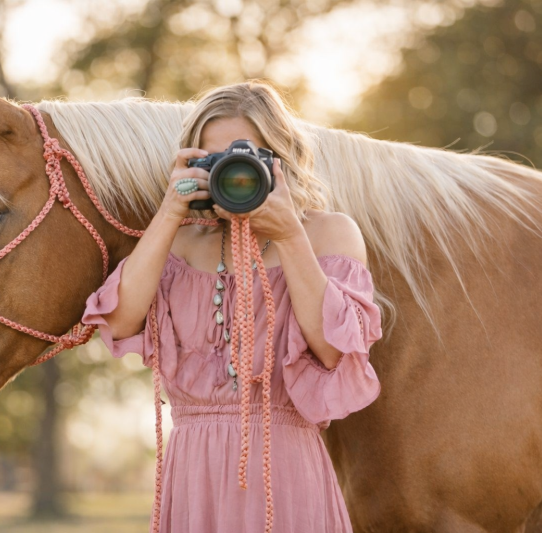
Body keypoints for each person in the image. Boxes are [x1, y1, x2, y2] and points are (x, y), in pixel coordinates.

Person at [81, 81, 383, 533]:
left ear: (280, 160)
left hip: (285, 475)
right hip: (192, 476)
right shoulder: (178, 242)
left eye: (246, 158)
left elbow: (333, 350)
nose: (233, 172)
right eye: (214, 159)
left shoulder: (328, 233)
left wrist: (289, 234)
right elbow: (120, 322)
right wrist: (169, 212)